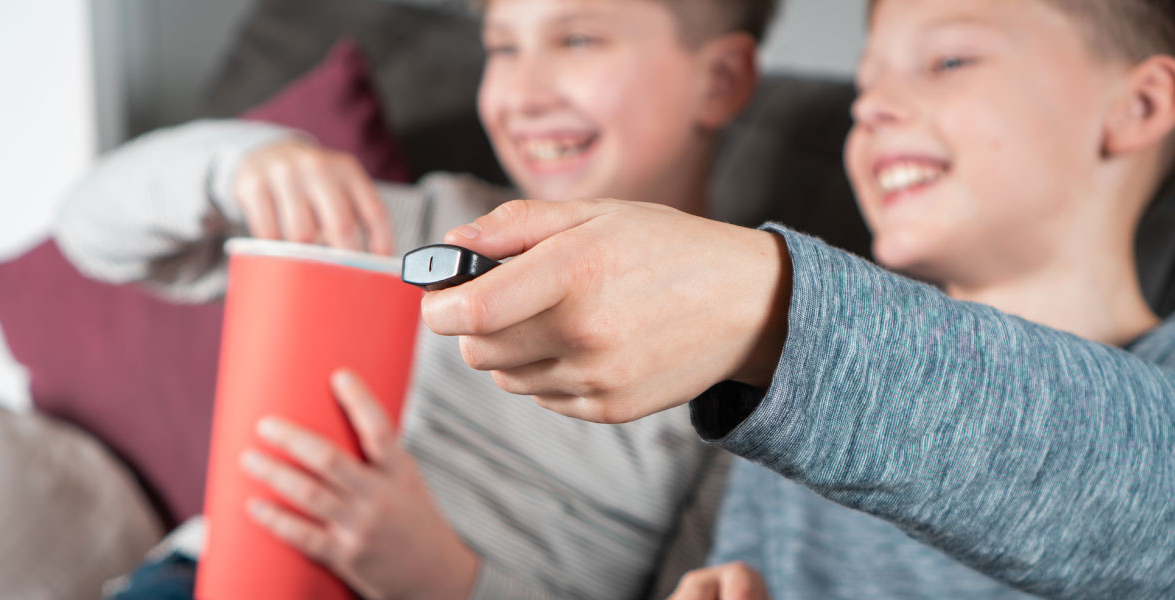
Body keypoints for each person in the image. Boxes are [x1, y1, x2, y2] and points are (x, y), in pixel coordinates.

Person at [419, 0, 1175, 598]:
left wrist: (776, 313)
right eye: (868, 82)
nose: (870, 107)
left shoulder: (785, 362)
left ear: (1138, 106)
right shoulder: (774, 419)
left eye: (949, 61)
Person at [57, 0, 776, 598]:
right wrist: (239, 163)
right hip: (217, 576)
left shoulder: (743, 351)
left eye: (577, 39)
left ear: (719, 81)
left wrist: (441, 578)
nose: (522, 94)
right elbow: (88, 230)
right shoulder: (417, 225)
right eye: (501, 46)